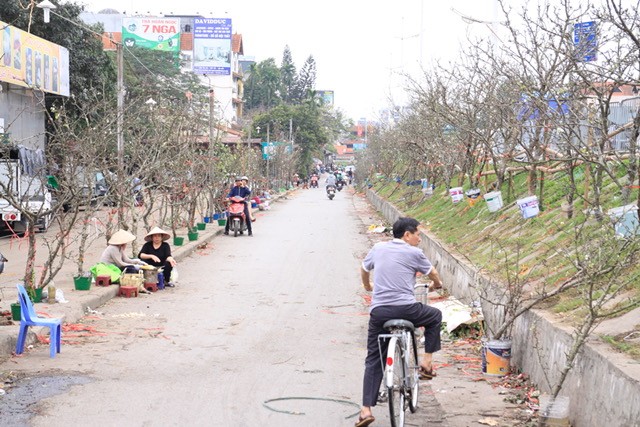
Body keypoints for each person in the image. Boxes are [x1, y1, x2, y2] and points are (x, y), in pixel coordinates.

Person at [356, 217, 444, 427]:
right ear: (407, 234)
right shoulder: (414, 253)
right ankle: (427, 362)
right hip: (407, 309)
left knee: (374, 358)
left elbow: (364, 268)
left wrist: (368, 286)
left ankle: (365, 409)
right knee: (435, 316)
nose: (419, 239)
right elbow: (433, 273)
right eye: (417, 234)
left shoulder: (378, 248)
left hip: (379, 312)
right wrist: (437, 284)